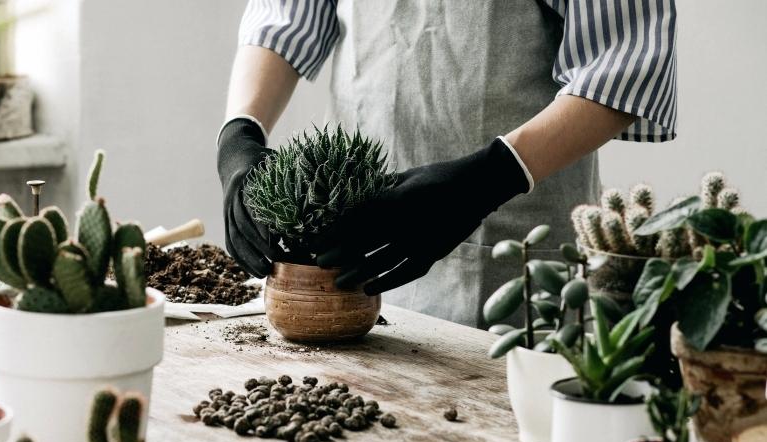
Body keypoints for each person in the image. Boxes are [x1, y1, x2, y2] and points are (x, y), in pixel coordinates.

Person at [217, 0, 676, 327]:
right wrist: (239, 135)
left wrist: (488, 179)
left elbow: (625, 62)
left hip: (509, 244)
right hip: (351, 247)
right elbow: (285, 16)